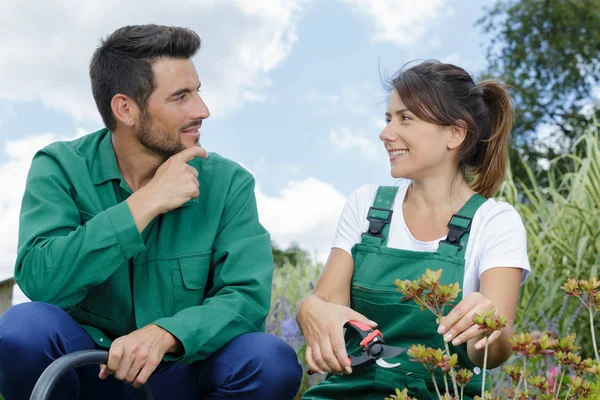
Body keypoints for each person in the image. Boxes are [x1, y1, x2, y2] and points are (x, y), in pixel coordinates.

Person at [0, 24, 302, 400]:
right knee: (22, 329)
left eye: (198, 92)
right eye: (180, 97)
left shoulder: (228, 183)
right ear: (125, 108)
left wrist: (167, 334)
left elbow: (245, 298)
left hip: (183, 373)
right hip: (89, 373)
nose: (202, 110)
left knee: (269, 359)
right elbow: (41, 281)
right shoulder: (59, 167)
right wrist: (143, 204)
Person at [297, 61, 530, 399]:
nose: (386, 133)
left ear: (455, 133)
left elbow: (494, 355)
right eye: (388, 119)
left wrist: (485, 330)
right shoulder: (366, 205)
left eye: (406, 118)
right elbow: (328, 302)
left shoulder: (495, 222)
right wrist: (311, 308)